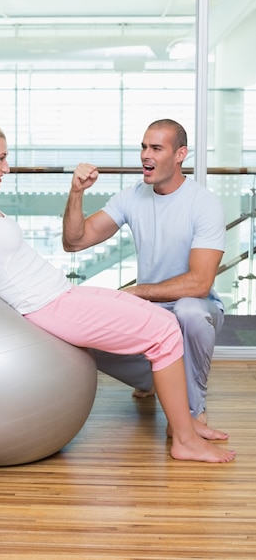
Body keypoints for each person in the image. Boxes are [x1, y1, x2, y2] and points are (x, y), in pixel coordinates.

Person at [0, 118, 235, 463]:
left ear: (180, 155)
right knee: (163, 331)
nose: (7, 167)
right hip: (50, 304)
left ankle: (187, 424)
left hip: (62, 295)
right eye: (0, 158)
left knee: (162, 324)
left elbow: (201, 281)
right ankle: (185, 440)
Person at [62, 118, 225, 424]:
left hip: (197, 306)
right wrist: (76, 193)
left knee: (189, 311)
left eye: (156, 148)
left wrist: (136, 292)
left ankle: (195, 408)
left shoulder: (204, 204)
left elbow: (200, 283)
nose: (145, 155)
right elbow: (75, 241)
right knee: (78, 332)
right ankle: (151, 379)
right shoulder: (132, 196)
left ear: (180, 155)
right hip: (151, 311)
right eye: (144, 147)